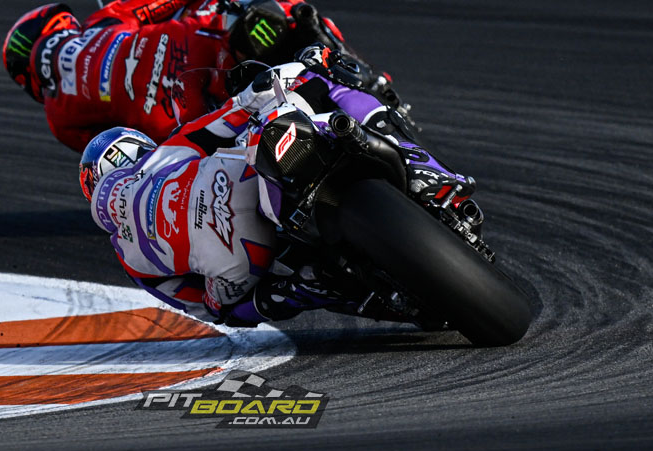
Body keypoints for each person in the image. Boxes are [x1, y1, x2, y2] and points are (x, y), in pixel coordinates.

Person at [77, 49, 462, 326]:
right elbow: (232, 113)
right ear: (139, 149)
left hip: (238, 261)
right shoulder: (165, 154)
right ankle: (424, 169)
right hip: (240, 184)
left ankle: (310, 287)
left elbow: (202, 308)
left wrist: (229, 291)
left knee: (232, 307)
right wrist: (307, 65)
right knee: (322, 89)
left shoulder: (128, 259)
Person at [3, 0, 346, 150]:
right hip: (200, 50)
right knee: (265, 1)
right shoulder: (100, 23)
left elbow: (115, 158)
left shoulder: (58, 119)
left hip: (177, 125)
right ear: (60, 24)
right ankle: (338, 63)